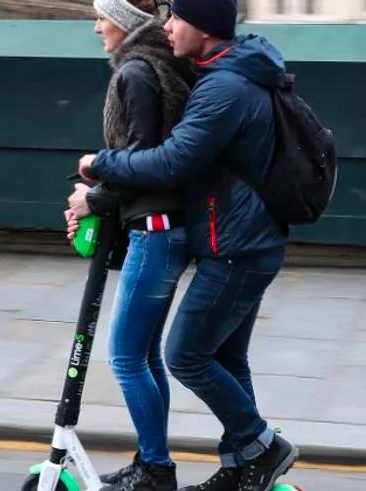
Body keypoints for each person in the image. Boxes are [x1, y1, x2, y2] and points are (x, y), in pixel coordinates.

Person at [76, 1, 299, 490]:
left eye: (176, 17)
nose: (168, 25)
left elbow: (169, 161)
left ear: (201, 24)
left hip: (233, 242)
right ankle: (242, 465)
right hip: (244, 237)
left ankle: (255, 445)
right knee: (220, 357)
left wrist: (97, 173)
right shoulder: (219, 72)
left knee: (179, 356)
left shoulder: (221, 85)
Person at [63, 1, 194, 489]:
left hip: (155, 230)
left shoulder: (137, 72)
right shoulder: (160, 62)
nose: (97, 27)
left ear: (126, 19)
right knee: (145, 355)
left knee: (124, 357)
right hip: (166, 226)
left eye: (103, 16)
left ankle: (156, 469)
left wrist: (93, 197)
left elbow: (140, 160)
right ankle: (153, 462)